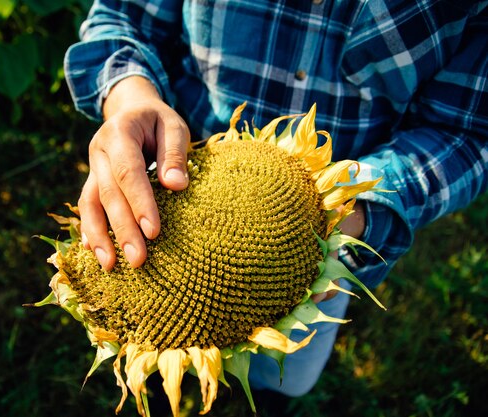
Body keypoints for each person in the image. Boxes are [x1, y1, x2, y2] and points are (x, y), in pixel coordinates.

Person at [63, 0, 488, 409]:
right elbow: (122, 18)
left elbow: (467, 131)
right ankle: (160, 384)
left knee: (288, 372)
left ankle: (263, 394)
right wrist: (132, 100)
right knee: (158, 360)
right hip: (172, 173)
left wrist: (344, 212)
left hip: (331, 232)